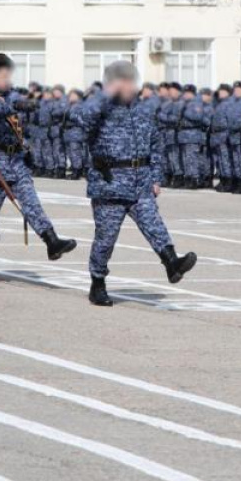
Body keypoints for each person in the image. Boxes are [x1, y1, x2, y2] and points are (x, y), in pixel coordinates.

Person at [78, 61, 197, 307]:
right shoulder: (98, 108)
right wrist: (106, 94)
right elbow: (79, 120)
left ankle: (171, 262)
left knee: (154, 224)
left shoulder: (142, 110)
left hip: (140, 181)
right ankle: (97, 282)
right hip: (109, 183)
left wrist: (155, 178)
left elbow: (156, 144)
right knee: (106, 238)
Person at [0, 53, 77, 285]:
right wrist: (13, 105)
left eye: (8, 75)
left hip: (15, 161)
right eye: (2, 75)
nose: (7, 80)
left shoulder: (9, 96)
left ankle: (51, 241)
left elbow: (29, 108)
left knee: (31, 202)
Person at [210, 85, 234, 192]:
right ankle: (223, 180)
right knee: (220, 160)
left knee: (225, 159)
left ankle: (228, 182)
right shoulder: (219, 103)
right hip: (217, 136)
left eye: (223, 91)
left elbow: (230, 121)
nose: (220, 93)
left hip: (224, 134)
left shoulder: (229, 104)